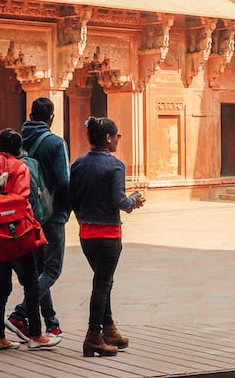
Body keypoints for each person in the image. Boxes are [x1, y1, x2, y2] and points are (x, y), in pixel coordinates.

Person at [0, 128, 61, 352]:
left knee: (1, 287)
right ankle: (36, 335)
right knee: (30, 284)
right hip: (18, 236)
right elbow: (21, 201)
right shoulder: (19, 167)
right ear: (17, 148)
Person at [69, 116, 145, 358]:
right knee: (102, 284)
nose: (118, 141)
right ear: (109, 138)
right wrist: (133, 201)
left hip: (86, 234)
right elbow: (118, 201)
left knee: (104, 281)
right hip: (108, 234)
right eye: (117, 136)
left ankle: (109, 330)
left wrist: (83, 219)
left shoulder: (78, 164)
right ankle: (93, 336)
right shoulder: (115, 165)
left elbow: (73, 199)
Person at [6, 97, 71, 341]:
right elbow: (64, 181)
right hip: (50, 213)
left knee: (40, 271)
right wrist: (65, 210)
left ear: (31, 115)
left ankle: (51, 324)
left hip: (25, 214)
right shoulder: (55, 143)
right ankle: (19, 313)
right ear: (51, 118)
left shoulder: (18, 141)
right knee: (52, 269)